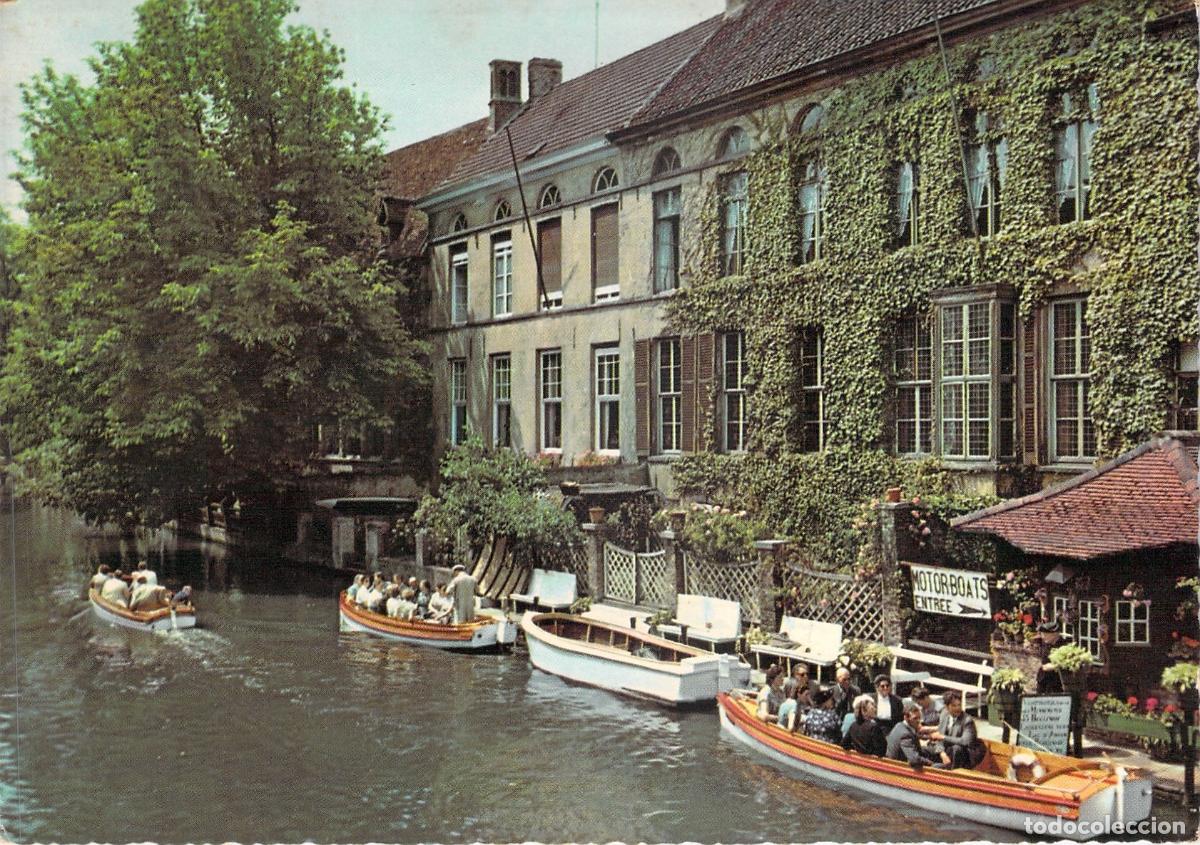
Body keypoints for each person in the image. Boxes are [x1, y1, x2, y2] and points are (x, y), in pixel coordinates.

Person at [928, 691, 986, 769]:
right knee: (925, 750)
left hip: (964, 757)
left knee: (957, 748)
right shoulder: (944, 714)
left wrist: (943, 737)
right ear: (947, 707)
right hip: (947, 752)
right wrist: (942, 753)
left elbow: (965, 742)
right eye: (954, 706)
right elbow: (939, 738)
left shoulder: (967, 720)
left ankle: (952, 772)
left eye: (959, 705)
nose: (957, 708)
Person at [886, 703, 949, 770]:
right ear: (906, 718)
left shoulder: (900, 725)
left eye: (919, 717)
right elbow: (914, 759)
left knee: (932, 751)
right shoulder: (905, 735)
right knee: (940, 766)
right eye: (915, 718)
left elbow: (915, 737)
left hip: (900, 760)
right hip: (900, 767)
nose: (919, 721)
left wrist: (940, 751)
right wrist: (931, 763)